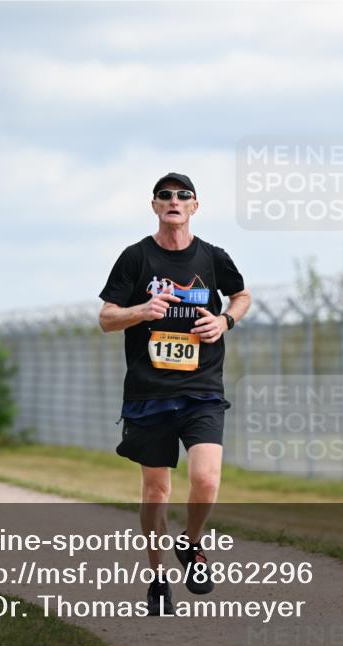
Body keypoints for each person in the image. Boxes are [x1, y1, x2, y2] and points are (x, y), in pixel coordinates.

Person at [98, 172, 251, 615]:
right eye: (165, 195)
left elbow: (240, 295)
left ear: (194, 207)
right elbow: (107, 318)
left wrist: (225, 322)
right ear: (154, 206)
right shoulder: (135, 258)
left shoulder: (213, 257)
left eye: (183, 196)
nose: (174, 201)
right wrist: (140, 311)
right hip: (149, 393)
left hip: (202, 388)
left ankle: (191, 545)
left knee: (205, 478)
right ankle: (158, 577)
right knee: (156, 491)